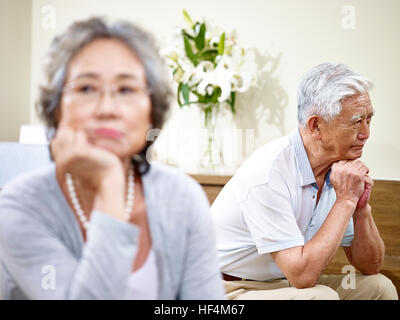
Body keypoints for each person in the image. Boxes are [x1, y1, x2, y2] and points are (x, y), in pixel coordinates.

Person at [0, 17, 224, 300]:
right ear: (56, 108)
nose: (107, 108)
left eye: (126, 90)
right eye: (86, 88)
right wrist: (109, 184)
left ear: (151, 112)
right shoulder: (21, 205)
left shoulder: (183, 196)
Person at [211, 62, 398, 300]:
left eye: (368, 119)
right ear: (316, 126)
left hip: (283, 282)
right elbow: (302, 276)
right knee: (321, 297)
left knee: (379, 288)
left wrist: (361, 208)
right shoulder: (269, 173)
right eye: (355, 122)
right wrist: (346, 200)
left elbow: (370, 266)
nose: (366, 133)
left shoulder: (340, 171)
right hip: (227, 288)